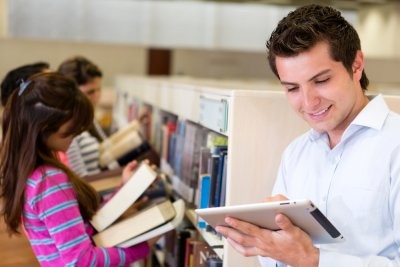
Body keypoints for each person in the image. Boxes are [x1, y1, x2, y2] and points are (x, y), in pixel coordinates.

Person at [215, 4, 400, 267]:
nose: (309, 102)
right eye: (292, 88)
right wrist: (271, 242)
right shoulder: (296, 153)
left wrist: (312, 259)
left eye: (321, 81)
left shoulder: (395, 147)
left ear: (356, 66)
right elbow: (275, 261)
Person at [0, 72, 152, 266]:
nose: (77, 132)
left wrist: (123, 190)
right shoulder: (49, 182)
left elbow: (78, 224)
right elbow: (80, 261)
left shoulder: (33, 174)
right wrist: (139, 248)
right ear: (44, 127)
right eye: (73, 127)